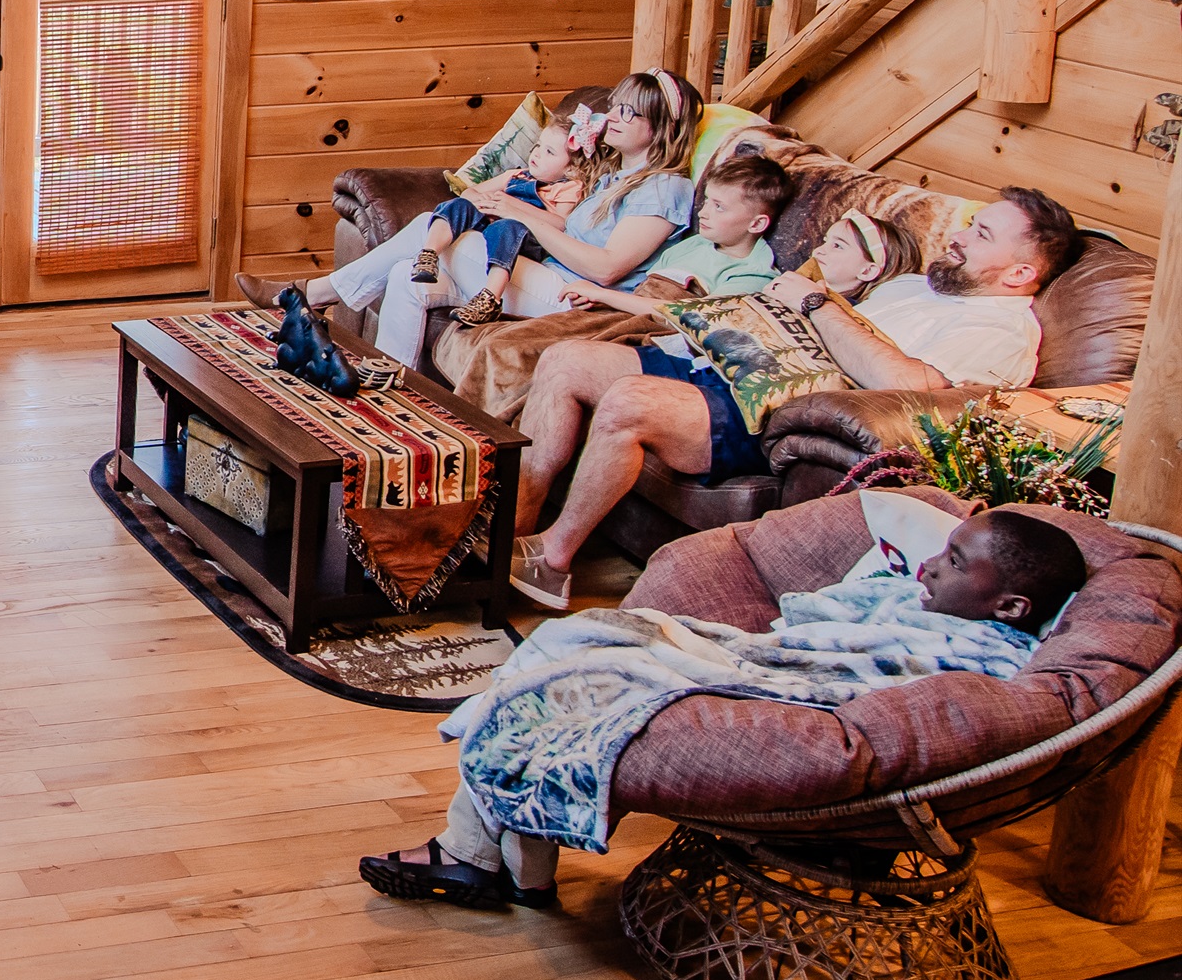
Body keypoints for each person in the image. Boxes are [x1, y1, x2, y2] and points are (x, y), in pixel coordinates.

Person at [359, 507, 1086, 911]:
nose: (929, 565)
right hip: (759, 656)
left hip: (780, 691)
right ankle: (499, 862)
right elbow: (836, 603)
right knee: (571, 646)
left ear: (1013, 604)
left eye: (955, 562)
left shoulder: (982, 661)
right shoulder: (937, 602)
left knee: (575, 661)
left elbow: (854, 672)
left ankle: (477, 855)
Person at [505, 186, 1078, 610]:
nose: (957, 238)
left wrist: (818, 304)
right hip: (744, 363)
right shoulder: (918, 285)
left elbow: (912, 392)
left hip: (785, 413)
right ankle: (512, 532)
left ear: (1021, 271)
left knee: (630, 400)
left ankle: (552, 561)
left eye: (981, 235)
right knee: (566, 360)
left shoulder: (1001, 331)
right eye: (970, 225)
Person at [238, 70, 700, 373]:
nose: (613, 118)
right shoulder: (613, 175)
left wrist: (523, 218)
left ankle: (309, 294)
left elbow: (606, 269)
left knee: (441, 235)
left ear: (661, 129)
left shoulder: (664, 188)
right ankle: (391, 385)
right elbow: (560, 223)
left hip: (578, 301)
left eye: (630, 112)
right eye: (615, 106)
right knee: (408, 273)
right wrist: (516, 207)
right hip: (544, 272)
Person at [555, 148, 795, 318]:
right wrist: (595, 298)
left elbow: (692, 318)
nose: (703, 212)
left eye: (719, 207)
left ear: (756, 224)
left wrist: (602, 295)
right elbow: (642, 292)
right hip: (618, 313)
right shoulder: (696, 244)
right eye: (708, 201)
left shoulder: (752, 274)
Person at [411, 123, 587, 325]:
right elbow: (470, 192)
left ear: (571, 168)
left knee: (506, 227)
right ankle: (428, 255)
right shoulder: (515, 175)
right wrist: (483, 202)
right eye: (538, 146)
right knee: (459, 205)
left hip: (525, 239)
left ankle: (490, 298)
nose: (537, 154)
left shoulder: (567, 188)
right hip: (491, 223)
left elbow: (559, 224)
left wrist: (513, 207)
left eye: (549, 152)